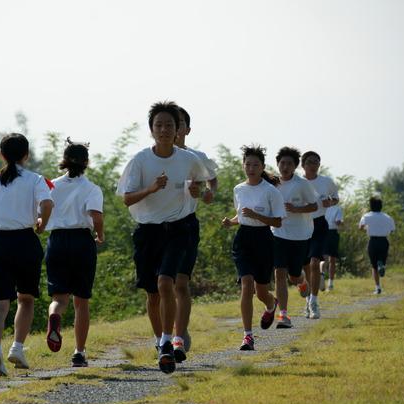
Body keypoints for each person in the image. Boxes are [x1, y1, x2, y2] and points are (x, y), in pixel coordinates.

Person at [116, 101, 208, 374]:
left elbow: (201, 185)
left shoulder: (189, 159)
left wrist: (197, 192)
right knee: (153, 293)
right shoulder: (140, 160)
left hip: (178, 229)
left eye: (170, 125)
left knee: (166, 281)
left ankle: (169, 341)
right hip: (148, 231)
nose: (165, 130)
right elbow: (126, 198)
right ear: (151, 130)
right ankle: (160, 342)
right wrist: (152, 188)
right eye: (159, 125)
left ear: (178, 129)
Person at [0, 133, 53, 376]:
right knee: (25, 299)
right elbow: (47, 204)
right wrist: (42, 224)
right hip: (26, 241)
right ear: (26, 155)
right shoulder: (35, 180)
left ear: (1, 155)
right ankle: (17, 347)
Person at [44, 140, 104, 368]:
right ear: (87, 162)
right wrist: (100, 235)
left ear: (64, 160)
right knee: (81, 301)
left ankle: (54, 316)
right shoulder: (91, 188)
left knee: (59, 298)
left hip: (57, 241)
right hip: (81, 241)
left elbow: (42, 212)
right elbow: (96, 216)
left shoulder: (51, 185)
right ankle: (79, 352)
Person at [222, 145, 285, 350]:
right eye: (247, 164)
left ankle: (270, 304)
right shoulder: (238, 189)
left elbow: (277, 222)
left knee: (261, 291)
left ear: (262, 167)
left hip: (264, 239)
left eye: (255, 164)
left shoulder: (271, 191)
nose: (251, 168)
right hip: (243, 240)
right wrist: (231, 222)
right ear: (243, 165)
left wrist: (257, 216)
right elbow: (241, 215)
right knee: (246, 284)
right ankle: (247, 336)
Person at [168, 106, 218, 361]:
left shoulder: (197, 157)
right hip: (158, 226)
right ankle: (167, 335)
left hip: (186, 224)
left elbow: (212, 181)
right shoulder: (154, 158)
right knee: (161, 286)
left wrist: (208, 193)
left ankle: (178, 334)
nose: (173, 130)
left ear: (187, 129)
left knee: (181, 283)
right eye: (168, 124)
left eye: (178, 124)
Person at [271, 147, 317, 329]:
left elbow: (314, 206)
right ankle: (283, 315)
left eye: (289, 163)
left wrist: (297, 209)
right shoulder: (271, 183)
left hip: (300, 235)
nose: (285, 166)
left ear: (296, 166)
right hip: (278, 232)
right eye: (282, 163)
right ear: (278, 164)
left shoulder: (302, 184)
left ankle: (303, 282)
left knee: (294, 276)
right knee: (279, 272)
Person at [301, 151, 339, 319]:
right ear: (303, 165)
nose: (313, 164)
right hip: (300, 226)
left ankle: (314, 302)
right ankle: (307, 297)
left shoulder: (326, 182)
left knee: (315, 262)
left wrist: (330, 202)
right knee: (303, 267)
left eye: (316, 162)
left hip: (319, 225)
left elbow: (336, 198)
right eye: (309, 162)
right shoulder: (297, 182)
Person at [359, 196, 396, 294]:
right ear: (381, 206)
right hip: (384, 241)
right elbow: (392, 229)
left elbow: (361, 227)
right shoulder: (387, 217)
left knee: (373, 266)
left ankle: (378, 288)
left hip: (373, 241)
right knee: (381, 261)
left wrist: (366, 229)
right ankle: (382, 265)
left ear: (371, 206)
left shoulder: (366, 216)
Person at [323, 204, 344, 290]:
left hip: (322, 232)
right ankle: (330, 283)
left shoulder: (322, 207)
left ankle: (321, 278)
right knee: (332, 259)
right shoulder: (337, 208)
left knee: (323, 258)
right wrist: (342, 222)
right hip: (332, 234)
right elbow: (337, 222)